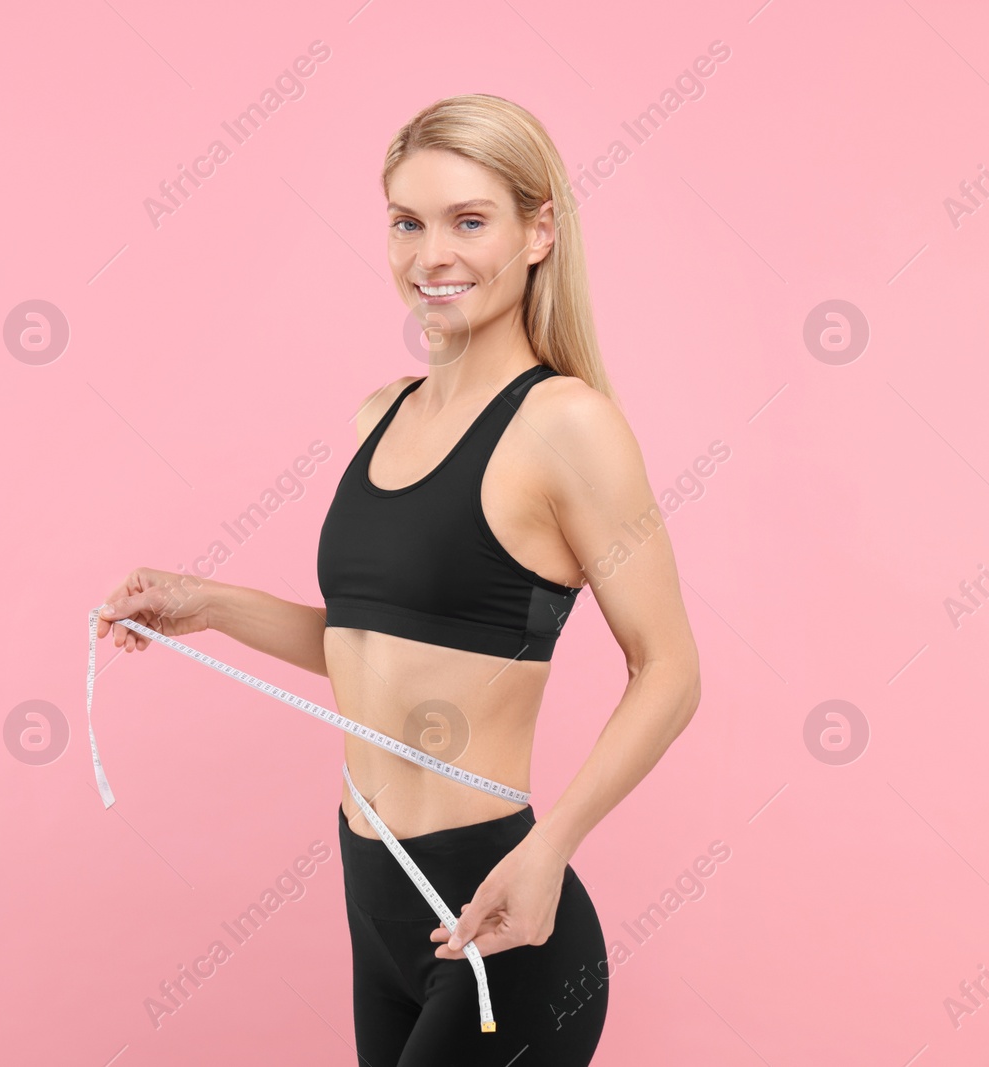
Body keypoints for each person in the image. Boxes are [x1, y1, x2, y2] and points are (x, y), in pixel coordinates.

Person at [95, 93, 700, 1066]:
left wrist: (548, 851)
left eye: (469, 221)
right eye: (406, 222)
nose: (432, 256)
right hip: (374, 902)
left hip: (497, 911)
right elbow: (370, 651)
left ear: (538, 230)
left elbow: (669, 668)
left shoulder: (564, 423)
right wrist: (206, 604)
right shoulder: (385, 410)